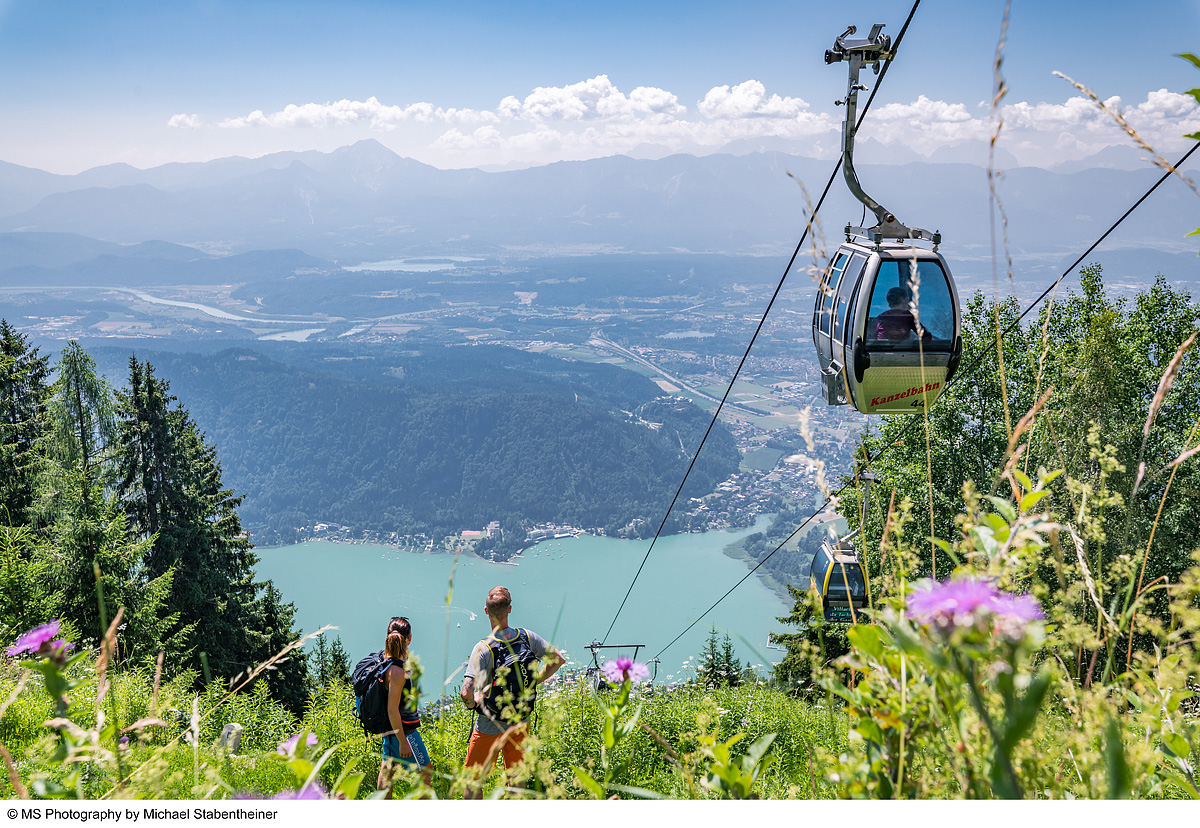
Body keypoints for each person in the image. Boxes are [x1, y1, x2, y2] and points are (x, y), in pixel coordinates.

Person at [460, 586, 564, 798]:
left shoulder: (483, 648)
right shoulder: (527, 637)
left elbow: (466, 692)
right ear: (509, 610)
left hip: (490, 723)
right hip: (520, 720)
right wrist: (535, 680)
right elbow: (558, 659)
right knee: (516, 780)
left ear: (486, 611)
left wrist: (473, 703)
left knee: (472, 780)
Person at [378, 616, 432, 793]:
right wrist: (403, 742)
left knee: (388, 771)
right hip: (404, 732)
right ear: (409, 638)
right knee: (425, 772)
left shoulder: (384, 660)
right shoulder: (397, 672)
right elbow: (392, 709)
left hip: (390, 729)